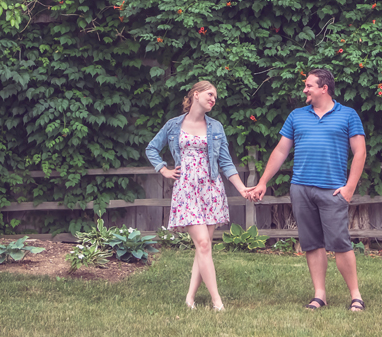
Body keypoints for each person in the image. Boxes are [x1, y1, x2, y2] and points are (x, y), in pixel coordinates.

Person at [248, 68, 367, 312]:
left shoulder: (348, 115)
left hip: (333, 191)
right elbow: (281, 151)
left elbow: (360, 152)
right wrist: (263, 182)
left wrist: (349, 188)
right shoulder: (296, 116)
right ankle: (319, 295)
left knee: (341, 243)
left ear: (324, 88)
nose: (305, 89)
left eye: (309, 85)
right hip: (301, 189)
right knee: (312, 244)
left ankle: (356, 296)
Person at [145, 80, 250, 310]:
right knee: (203, 243)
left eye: (215, 97)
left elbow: (226, 162)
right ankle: (217, 302)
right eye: (210, 94)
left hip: (211, 189)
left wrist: (241, 188)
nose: (213, 99)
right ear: (195, 94)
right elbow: (151, 148)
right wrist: (163, 169)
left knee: (203, 247)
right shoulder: (173, 125)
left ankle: (190, 299)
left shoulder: (216, 127)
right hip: (186, 189)